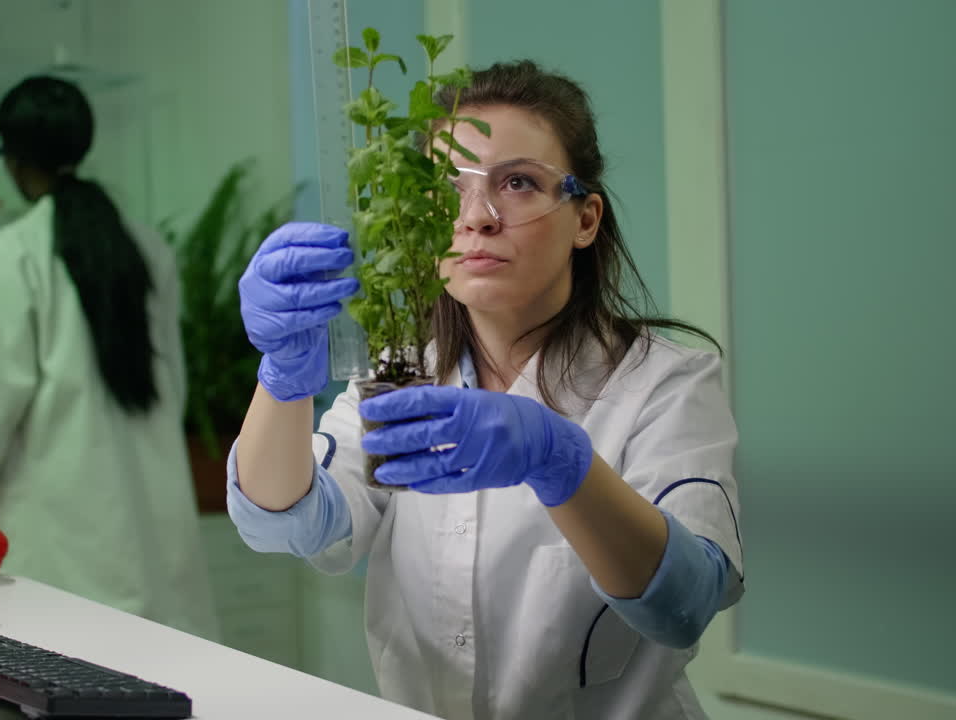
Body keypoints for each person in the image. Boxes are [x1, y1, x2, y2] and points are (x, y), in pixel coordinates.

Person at [227, 61, 742, 719]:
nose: (477, 217)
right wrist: (281, 378)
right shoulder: (399, 375)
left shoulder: (664, 384)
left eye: (518, 182)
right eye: (448, 189)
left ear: (585, 219)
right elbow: (292, 523)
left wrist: (564, 465)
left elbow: (684, 604)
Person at [0, 76, 218, 640]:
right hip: (151, 544)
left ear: (15, 162)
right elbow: (175, 387)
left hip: (59, 554)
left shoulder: (12, 255)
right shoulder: (148, 248)